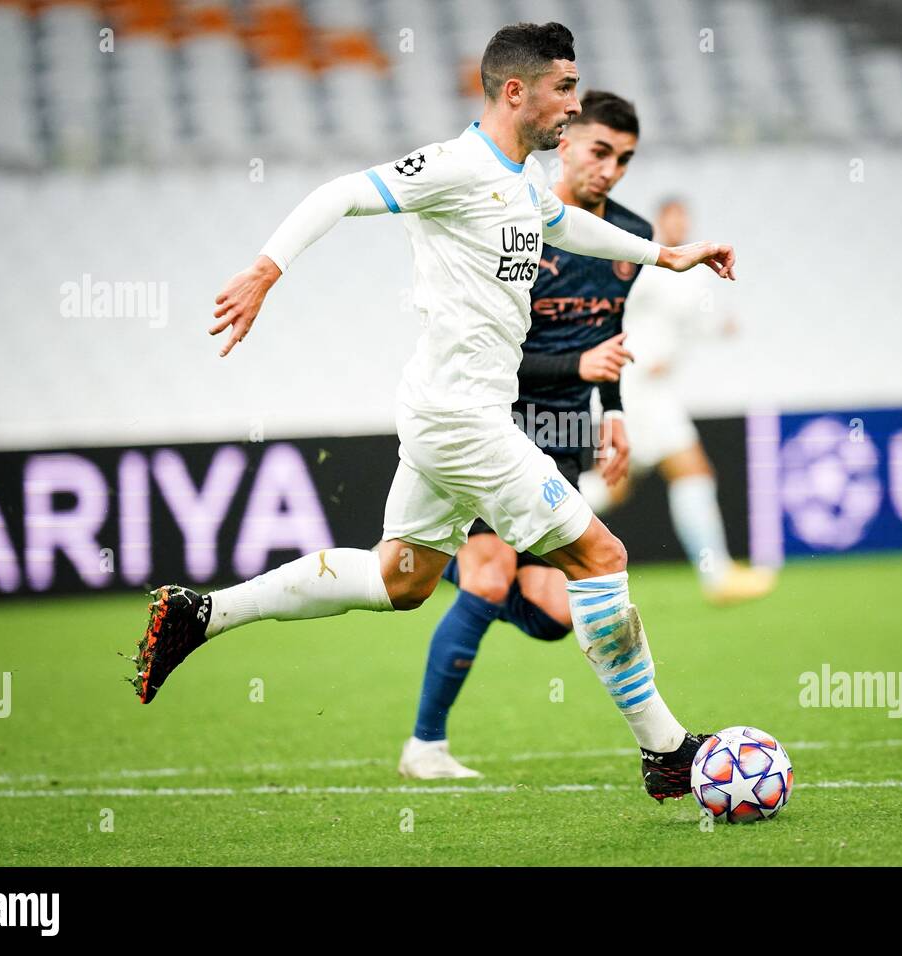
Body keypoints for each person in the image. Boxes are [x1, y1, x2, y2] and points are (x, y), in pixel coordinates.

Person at [130, 23, 737, 802]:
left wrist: (667, 255)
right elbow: (343, 192)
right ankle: (667, 752)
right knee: (602, 557)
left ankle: (201, 613)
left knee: (402, 579)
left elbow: (562, 226)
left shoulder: (518, 182)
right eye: (563, 89)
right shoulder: (454, 166)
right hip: (464, 420)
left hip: (446, 411)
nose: (573, 104)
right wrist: (265, 270)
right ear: (515, 91)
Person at [400, 90, 651, 779]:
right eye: (599, 151)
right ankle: (426, 746)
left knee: (552, 613)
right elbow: (495, 345)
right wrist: (578, 362)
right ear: (565, 142)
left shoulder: (626, 237)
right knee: (490, 577)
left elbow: (607, 337)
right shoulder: (516, 224)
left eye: (624, 160)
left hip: (564, 432)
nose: (610, 170)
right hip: (495, 425)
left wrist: (615, 412)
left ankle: (451, 559)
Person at [580, 199, 775, 606]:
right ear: (659, 221)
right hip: (637, 387)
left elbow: (693, 322)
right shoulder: (643, 262)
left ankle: (529, 530)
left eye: (684, 217)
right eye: (671, 217)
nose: (678, 224)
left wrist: (723, 325)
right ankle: (716, 574)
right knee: (692, 470)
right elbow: (611, 306)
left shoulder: (689, 275)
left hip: (647, 389)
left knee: (613, 485)